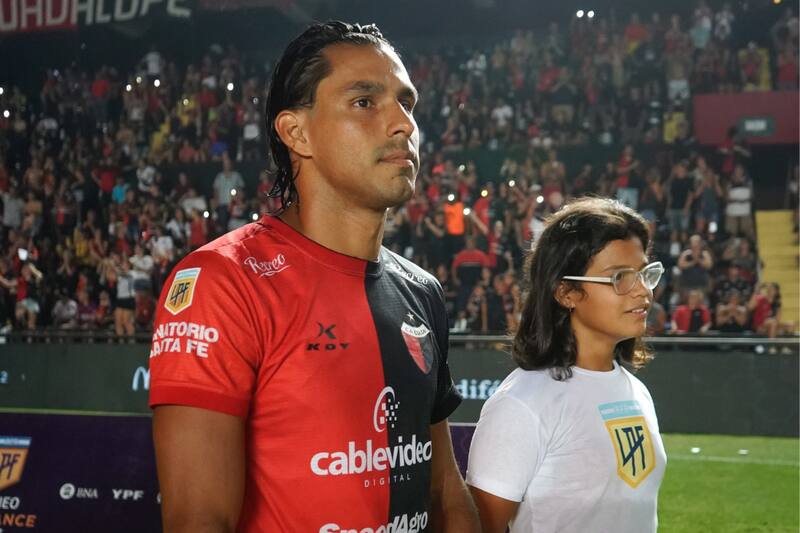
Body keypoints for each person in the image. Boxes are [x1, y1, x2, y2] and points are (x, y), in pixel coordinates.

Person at [150, 21, 479, 533]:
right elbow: (199, 520)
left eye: (406, 102)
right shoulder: (223, 281)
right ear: (295, 132)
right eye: (365, 102)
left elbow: (442, 492)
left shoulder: (421, 291)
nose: (403, 123)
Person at [466, 198, 666, 532]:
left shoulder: (638, 392)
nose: (643, 292)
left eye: (646, 274)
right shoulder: (522, 403)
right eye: (620, 277)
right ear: (566, 292)